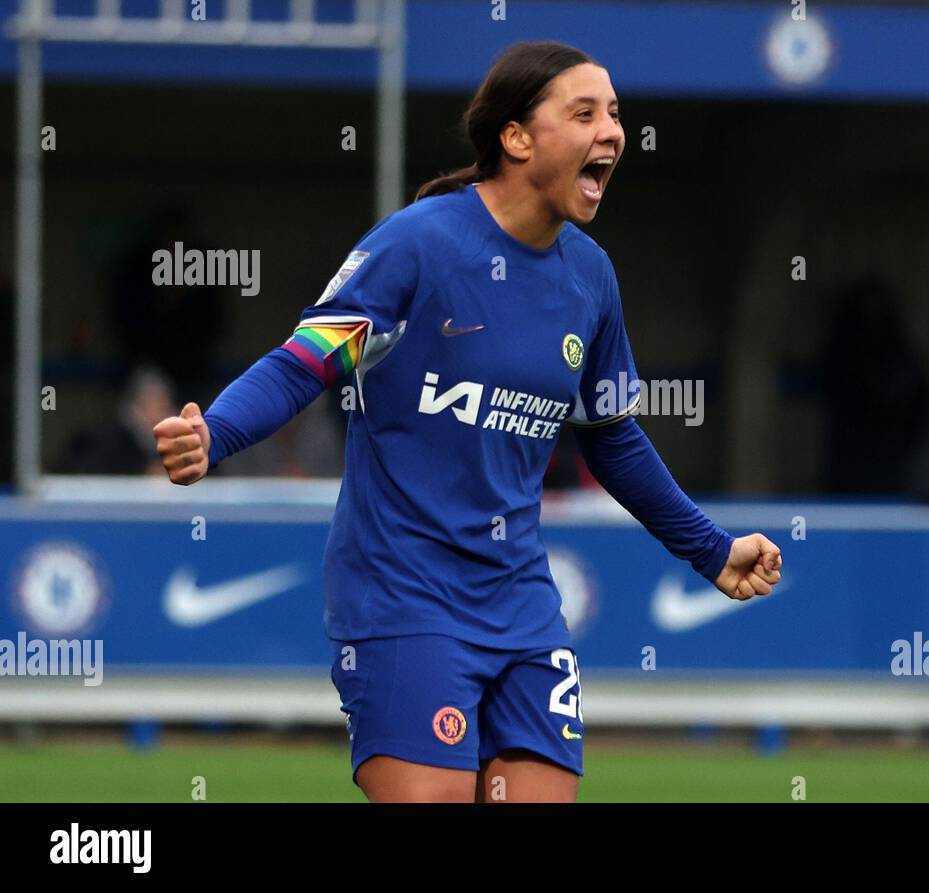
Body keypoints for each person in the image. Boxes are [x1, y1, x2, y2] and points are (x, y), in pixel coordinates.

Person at [151, 41, 783, 803]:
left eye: (615, 113)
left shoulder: (591, 277)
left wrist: (709, 549)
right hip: (402, 595)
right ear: (516, 137)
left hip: (521, 606)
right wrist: (213, 433)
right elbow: (307, 361)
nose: (611, 131)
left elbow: (610, 433)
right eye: (584, 112)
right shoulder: (418, 244)